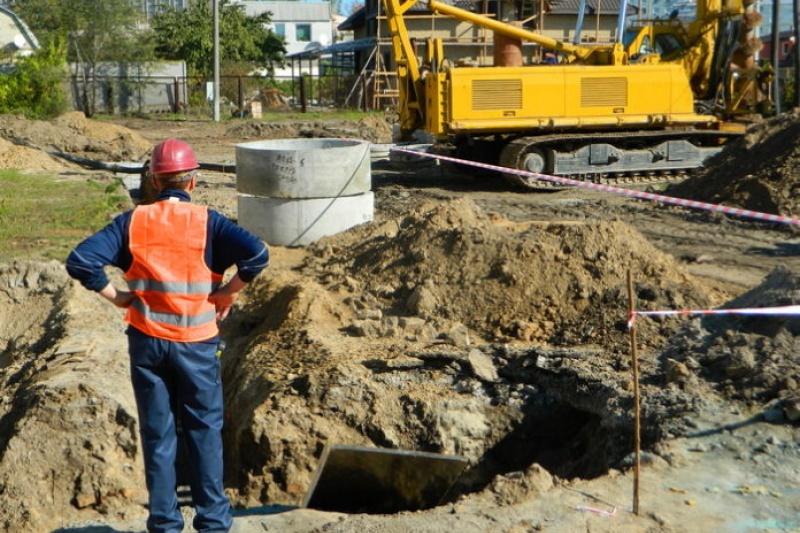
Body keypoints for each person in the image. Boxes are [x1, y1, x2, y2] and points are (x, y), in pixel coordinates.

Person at [66, 138, 269, 533]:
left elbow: (81, 261)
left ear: (156, 181)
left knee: (158, 435)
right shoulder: (209, 223)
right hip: (195, 345)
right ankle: (211, 523)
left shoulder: (133, 222)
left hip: (147, 344)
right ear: (192, 181)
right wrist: (228, 292)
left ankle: (164, 524)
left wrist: (118, 297)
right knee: (204, 432)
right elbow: (257, 255)